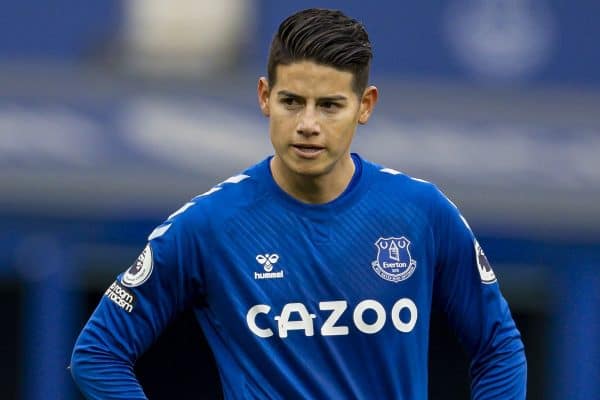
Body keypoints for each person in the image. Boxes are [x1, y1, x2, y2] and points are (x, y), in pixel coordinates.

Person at [70, 8, 527, 399]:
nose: (308, 124)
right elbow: (98, 353)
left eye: (329, 106)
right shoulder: (209, 226)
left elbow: (498, 347)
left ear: (364, 106)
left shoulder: (421, 213)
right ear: (265, 97)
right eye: (292, 101)